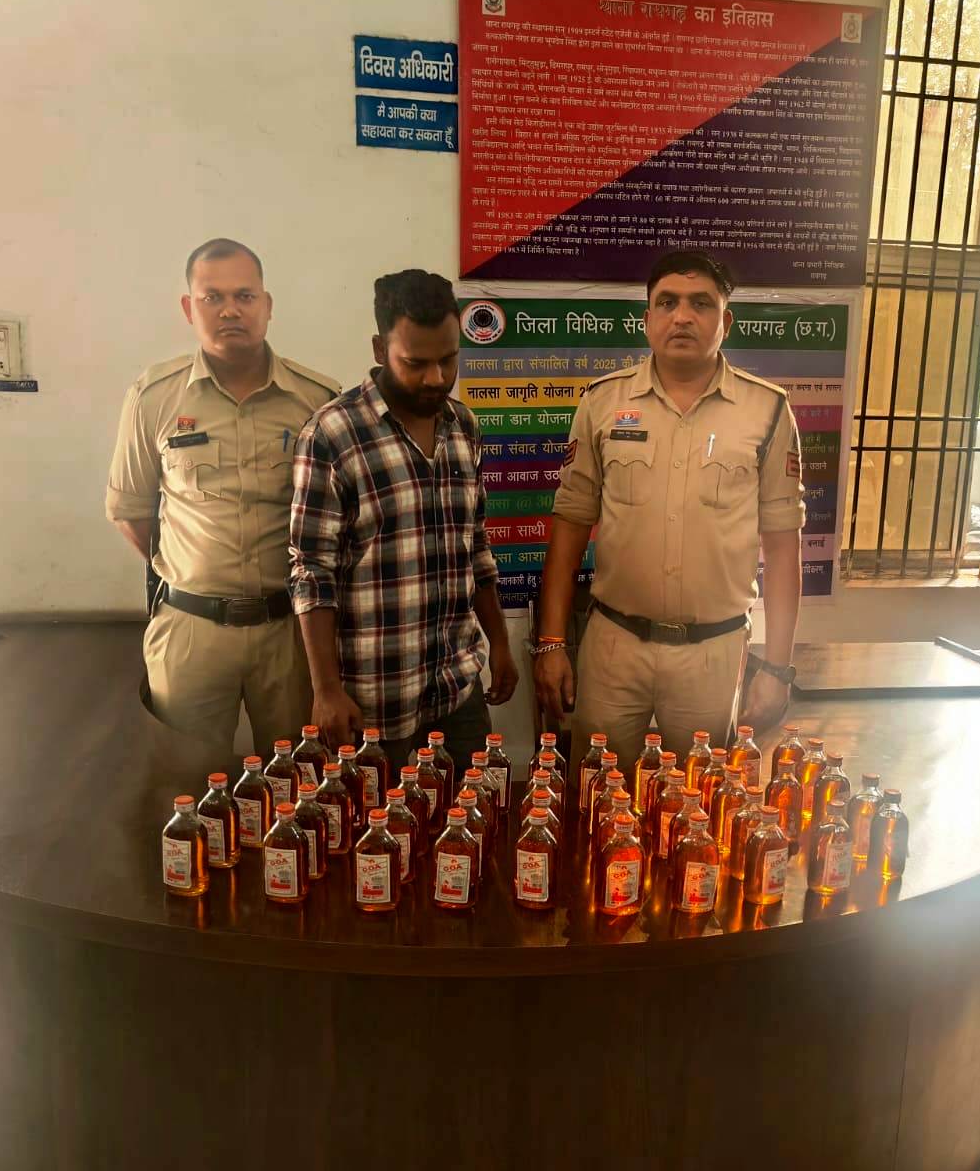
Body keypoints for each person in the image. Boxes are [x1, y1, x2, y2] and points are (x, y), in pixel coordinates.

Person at [533, 249, 805, 765]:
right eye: (667, 303)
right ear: (647, 319)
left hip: (713, 653)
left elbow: (782, 546)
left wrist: (776, 668)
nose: (682, 316)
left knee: (700, 799)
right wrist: (550, 643)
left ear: (725, 321)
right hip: (614, 647)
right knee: (597, 790)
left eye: (701, 303)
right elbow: (569, 526)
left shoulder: (768, 410)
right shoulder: (602, 402)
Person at [105, 238, 340, 753]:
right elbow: (130, 511)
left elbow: (337, 521)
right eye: (212, 297)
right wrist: (194, 573)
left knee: (297, 780)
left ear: (267, 305)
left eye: (244, 296)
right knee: (182, 780)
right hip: (191, 631)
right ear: (189, 308)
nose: (230, 310)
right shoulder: (154, 397)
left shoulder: (317, 401)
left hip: (291, 633)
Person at [288, 269, 518, 774]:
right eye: (415, 363)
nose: (436, 378)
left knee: (473, 812)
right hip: (372, 697)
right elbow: (312, 571)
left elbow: (475, 546)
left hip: (457, 684)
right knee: (376, 824)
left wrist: (500, 644)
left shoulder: (464, 426)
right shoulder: (332, 434)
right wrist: (326, 690)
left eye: (448, 359)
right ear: (379, 349)